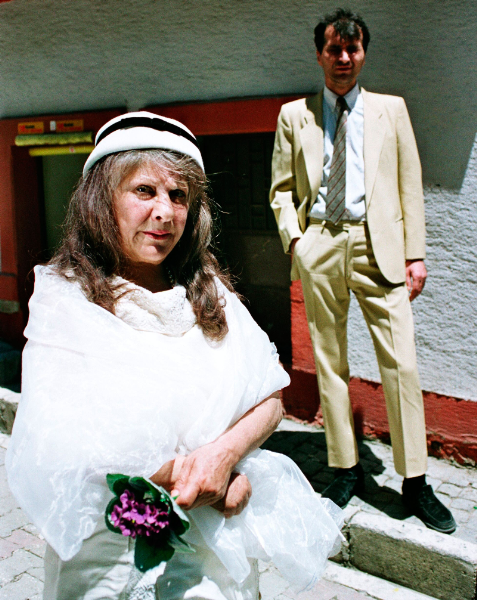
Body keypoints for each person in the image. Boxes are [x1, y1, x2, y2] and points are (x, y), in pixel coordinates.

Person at [6, 111, 343, 600]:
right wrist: (213, 481)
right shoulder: (67, 298)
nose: (164, 211)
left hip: (211, 559)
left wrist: (226, 456)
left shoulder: (208, 293)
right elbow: (66, 440)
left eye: (178, 195)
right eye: (144, 190)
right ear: (102, 200)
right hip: (109, 551)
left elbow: (270, 398)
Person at [269, 8, 456, 534]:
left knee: (402, 364)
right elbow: (281, 189)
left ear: (363, 54)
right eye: (334, 49)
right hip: (322, 242)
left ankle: (415, 481)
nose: (344, 58)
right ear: (320, 54)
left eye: (352, 49)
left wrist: (415, 254)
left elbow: (409, 184)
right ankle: (345, 468)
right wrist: (298, 241)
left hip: (380, 247)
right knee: (329, 361)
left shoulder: (391, 110)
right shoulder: (295, 115)